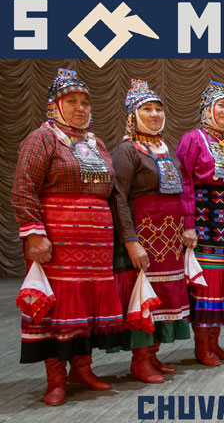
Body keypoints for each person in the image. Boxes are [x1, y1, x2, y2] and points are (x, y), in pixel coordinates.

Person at [11, 69, 123, 405]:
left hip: (97, 247)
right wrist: (34, 234)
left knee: (87, 307)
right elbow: (23, 189)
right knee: (58, 308)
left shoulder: (96, 143)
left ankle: (83, 369)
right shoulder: (41, 139)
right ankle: (55, 378)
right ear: (53, 106)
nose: (80, 108)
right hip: (58, 245)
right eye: (71, 101)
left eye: (85, 102)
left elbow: (110, 191)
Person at [109, 79, 195, 383]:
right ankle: (140, 360)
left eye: (159, 109)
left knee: (163, 297)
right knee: (143, 296)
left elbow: (180, 192)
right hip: (144, 238)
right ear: (133, 115)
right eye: (147, 109)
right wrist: (130, 241)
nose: (155, 114)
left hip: (168, 241)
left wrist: (186, 227)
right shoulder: (126, 151)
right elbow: (118, 196)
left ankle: (154, 354)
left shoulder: (165, 149)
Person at [175, 81, 224, 365]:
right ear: (206, 110)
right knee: (205, 284)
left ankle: (215, 343)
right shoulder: (193, 139)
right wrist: (189, 223)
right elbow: (185, 182)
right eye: (221, 106)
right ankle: (202, 346)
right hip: (204, 224)